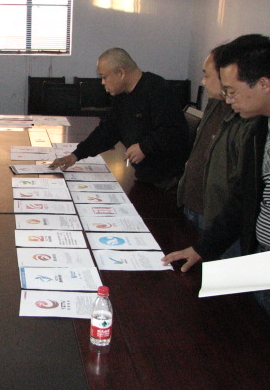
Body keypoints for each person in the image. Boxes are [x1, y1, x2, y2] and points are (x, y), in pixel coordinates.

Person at [167, 34, 270, 313]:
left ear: (264, 84)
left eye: (232, 91)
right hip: (259, 255)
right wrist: (203, 248)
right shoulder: (261, 129)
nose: (227, 99)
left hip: (261, 260)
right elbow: (244, 196)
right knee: (240, 319)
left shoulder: (252, 126)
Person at [50, 48, 190, 191]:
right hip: (143, 176)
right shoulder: (121, 95)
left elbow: (175, 131)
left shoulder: (157, 89)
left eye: (104, 77)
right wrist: (75, 155)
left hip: (167, 181)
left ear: (121, 73)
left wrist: (144, 147)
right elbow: (107, 131)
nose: (102, 82)